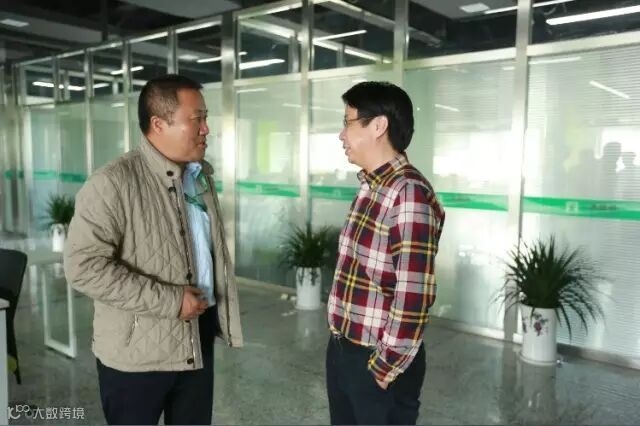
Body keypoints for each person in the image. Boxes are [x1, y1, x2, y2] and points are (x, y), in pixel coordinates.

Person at [64, 74, 243, 425]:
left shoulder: (199, 176)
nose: (206, 129)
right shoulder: (112, 183)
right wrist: (171, 301)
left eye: (206, 118)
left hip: (195, 338)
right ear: (159, 124)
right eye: (197, 119)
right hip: (136, 355)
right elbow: (83, 267)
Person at [325, 81, 445, 425]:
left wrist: (384, 366)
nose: (341, 135)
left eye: (348, 122)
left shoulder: (408, 193)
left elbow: (413, 295)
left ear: (379, 126)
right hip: (345, 350)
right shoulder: (371, 186)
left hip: (378, 362)